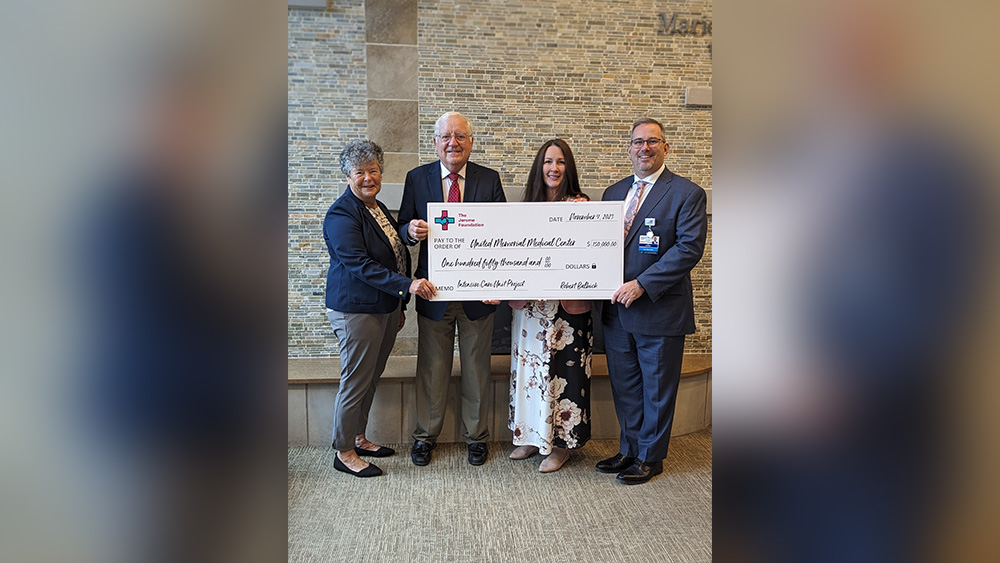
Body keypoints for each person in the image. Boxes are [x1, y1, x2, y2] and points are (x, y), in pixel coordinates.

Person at [596, 118, 707, 485]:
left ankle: (650, 457)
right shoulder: (613, 194)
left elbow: (688, 249)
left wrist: (642, 283)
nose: (644, 148)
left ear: (665, 148)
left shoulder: (687, 193)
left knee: (657, 388)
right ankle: (629, 449)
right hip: (616, 311)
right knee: (626, 385)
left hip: (659, 309)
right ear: (629, 148)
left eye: (653, 142)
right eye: (638, 142)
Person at [397, 112, 506, 467]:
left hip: (477, 294)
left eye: (460, 136)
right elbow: (402, 226)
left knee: (477, 369)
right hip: (434, 292)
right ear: (435, 142)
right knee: (432, 369)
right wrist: (410, 231)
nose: (453, 143)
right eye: (446, 136)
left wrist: (497, 283)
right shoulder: (417, 178)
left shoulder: (489, 180)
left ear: (471, 143)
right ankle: (425, 437)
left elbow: (504, 234)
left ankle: (476, 438)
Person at [323, 139, 437, 478]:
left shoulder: (377, 207)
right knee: (356, 380)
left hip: (384, 308)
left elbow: (395, 243)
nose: (368, 178)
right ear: (347, 175)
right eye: (360, 172)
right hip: (356, 310)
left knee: (370, 377)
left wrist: (398, 305)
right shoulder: (341, 214)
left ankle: (358, 437)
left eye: (373, 170)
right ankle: (343, 451)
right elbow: (360, 264)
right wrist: (409, 286)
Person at [507, 139, 593, 473]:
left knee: (565, 375)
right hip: (530, 309)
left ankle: (560, 445)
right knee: (530, 372)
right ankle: (530, 436)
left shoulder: (582, 206)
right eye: (547, 162)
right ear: (538, 167)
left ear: (568, 168)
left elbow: (589, 258)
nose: (553, 168)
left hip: (565, 309)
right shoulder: (525, 206)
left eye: (560, 162)